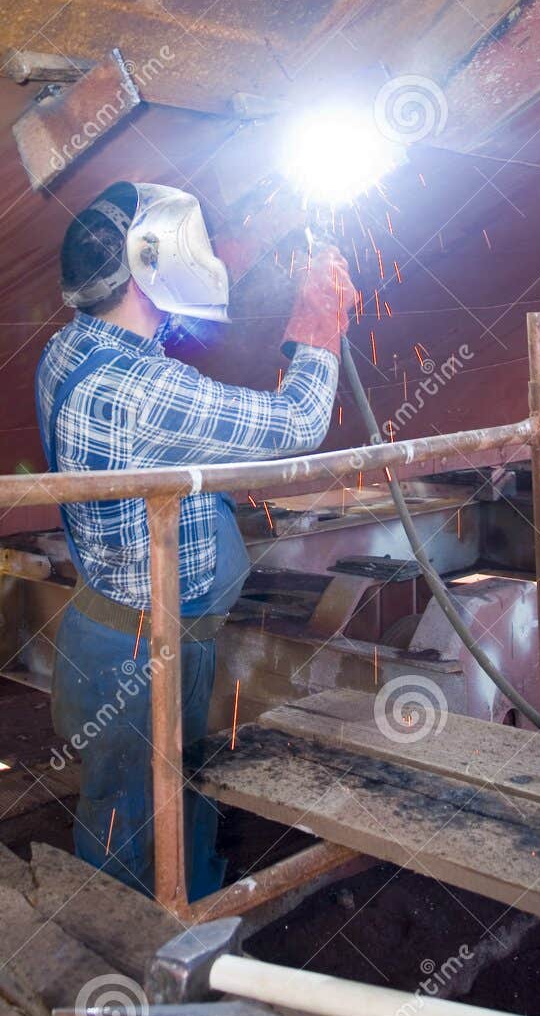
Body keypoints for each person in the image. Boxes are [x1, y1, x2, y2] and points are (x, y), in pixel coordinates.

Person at [36, 179, 350, 901]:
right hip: (145, 650)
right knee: (135, 823)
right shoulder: (145, 389)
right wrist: (319, 324)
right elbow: (299, 425)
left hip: (107, 627)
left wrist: (248, 242)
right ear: (154, 268)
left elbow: (161, 297)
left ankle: (194, 900)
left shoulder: (70, 347)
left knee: (163, 792)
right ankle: (136, 976)